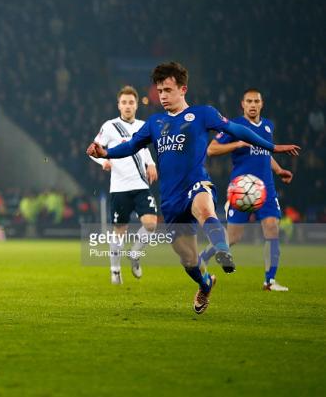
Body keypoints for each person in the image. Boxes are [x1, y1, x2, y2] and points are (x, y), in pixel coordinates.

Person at [87, 62, 300, 314]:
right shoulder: (155, 122)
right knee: (188, 260)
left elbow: (236, 129)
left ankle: (222, 251)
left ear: (183, 89)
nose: (162, 95)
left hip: (197, 182)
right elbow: (132, 145)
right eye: (160, 90)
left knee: (204, 208)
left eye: (167, 89)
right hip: (170, 197)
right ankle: (205, 284)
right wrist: (107, 152)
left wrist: (271, 147)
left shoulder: (203, 114)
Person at [203, 88, 293, 291]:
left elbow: (264, 153)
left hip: (266, 189)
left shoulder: (268, 126)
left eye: (256, 101)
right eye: (249, 101)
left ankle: (269, 281)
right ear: (242, 104)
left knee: (272, 229)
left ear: (262, 104)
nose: (253, 105)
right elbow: (211, 149)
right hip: (242, 190)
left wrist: (279, 171)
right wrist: (237, 144)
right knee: (233, 238)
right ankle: (203, 258)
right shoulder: (234, 126)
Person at [89, 85, 158, 284]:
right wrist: (104, 161)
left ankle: (135, 254)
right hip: (119, 188)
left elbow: (143, 148)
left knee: (151, 224)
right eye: (124, 102)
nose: (128, 106)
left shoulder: (143, 126)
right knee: (120, 231)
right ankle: (115, 270)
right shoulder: (110, 126)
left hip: (140, 185)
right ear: (119, 105)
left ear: (136, 105)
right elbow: (93, 149)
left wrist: (151, 163)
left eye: (131, 102)